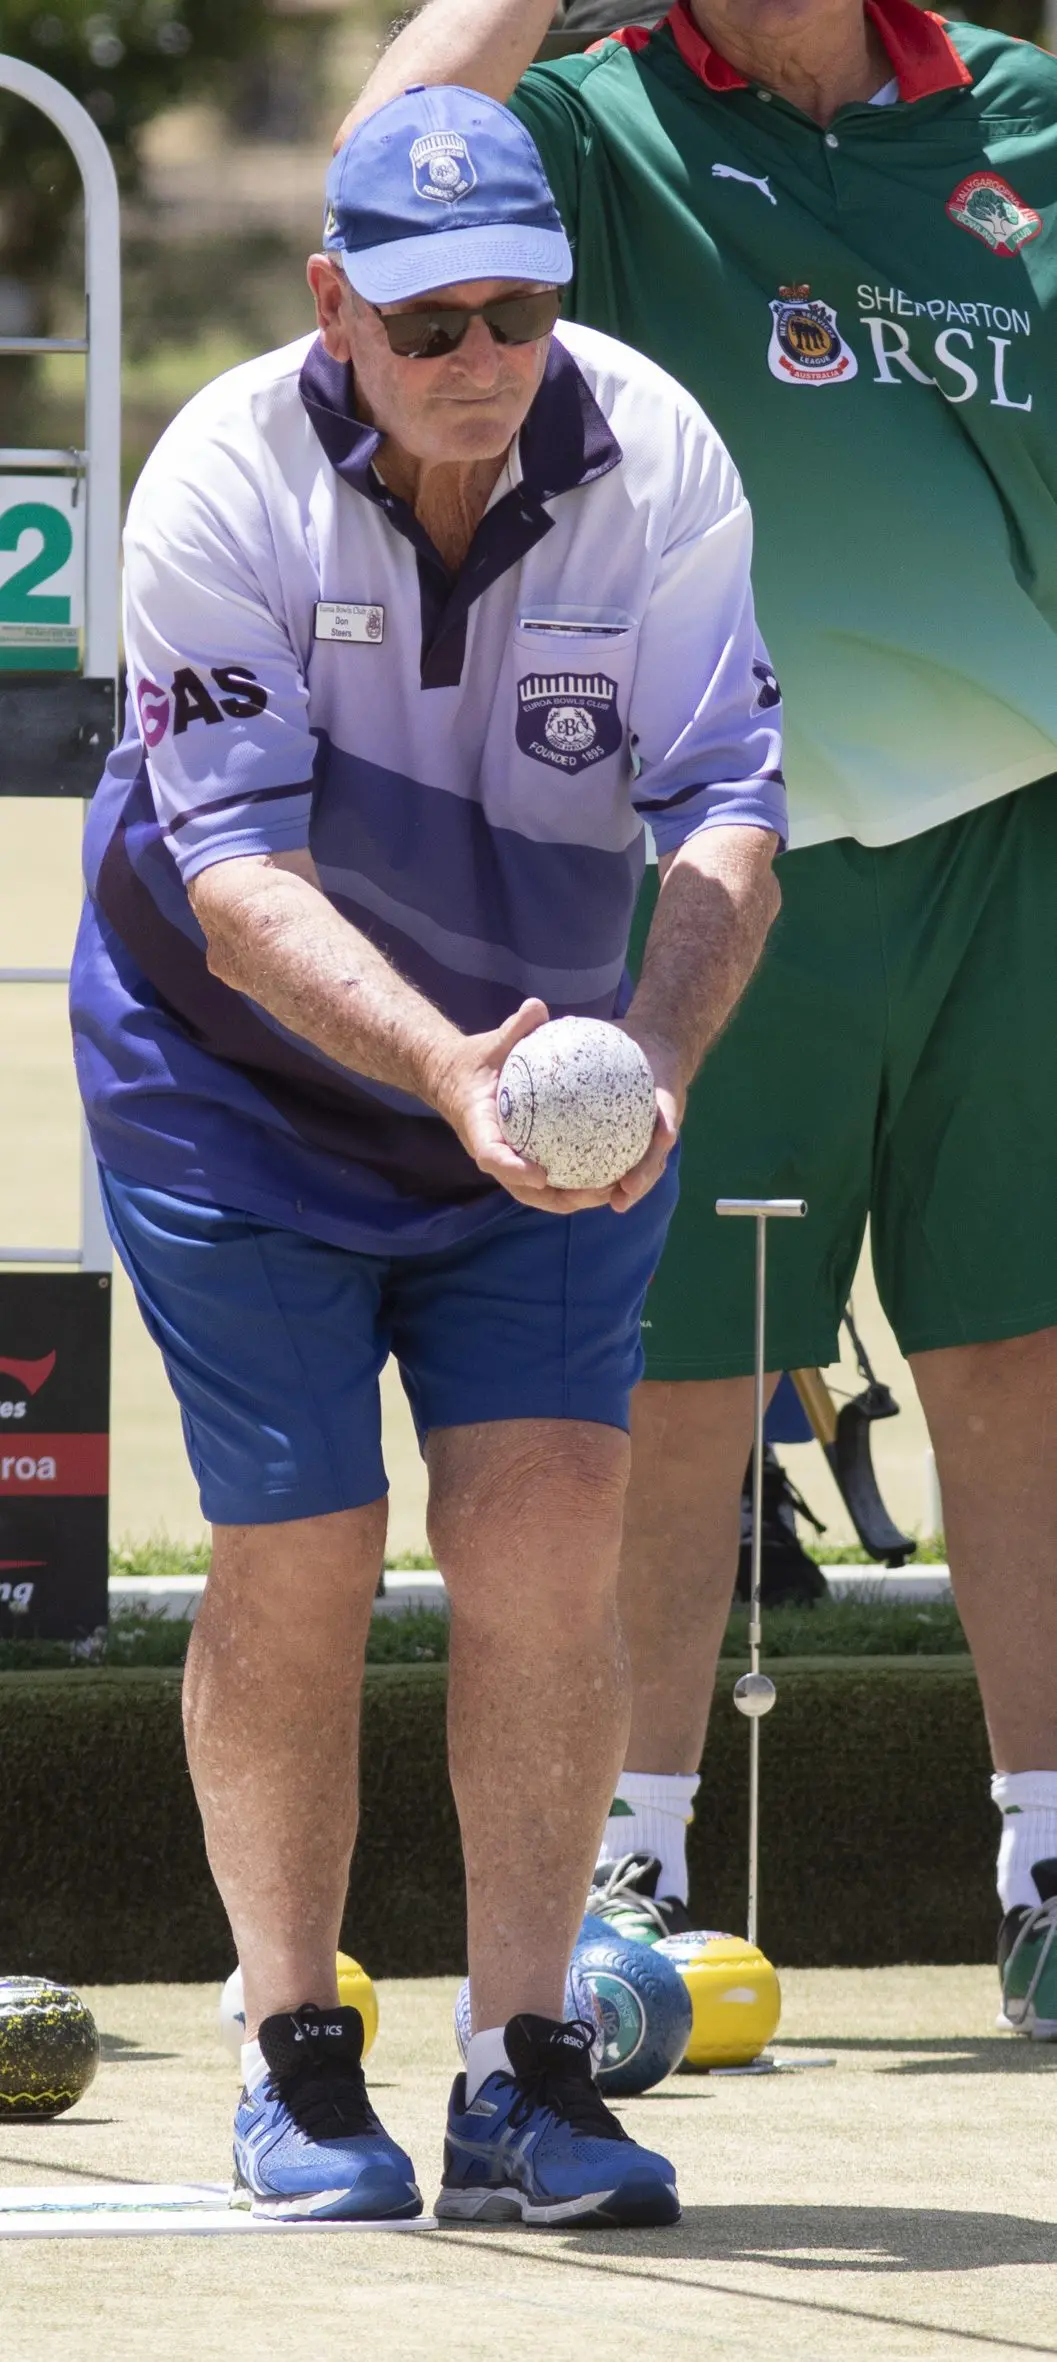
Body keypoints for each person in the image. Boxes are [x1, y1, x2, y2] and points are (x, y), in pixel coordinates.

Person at [70, 85, 784, 2224]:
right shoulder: (217, 475)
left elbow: (730, 813)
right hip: (233, 1075)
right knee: (301, 1536)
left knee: (552, 1513)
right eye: (430, 318)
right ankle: (298, 2045)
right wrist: (445, 1073)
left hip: (556, 1078)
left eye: (520, 311)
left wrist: (644, 1059)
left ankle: (525, 2060)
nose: (481, 355)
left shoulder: (655, 455)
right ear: (334, 308)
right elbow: (231, 878)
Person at [351, 0, 1057, 2021]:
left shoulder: (1020, 114)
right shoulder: (589, 115)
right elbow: (391, 163)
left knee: (1024, 1351)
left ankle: (1052, 1861)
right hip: (699, 841)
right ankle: (628, 1871)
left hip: (1020, 834)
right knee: (669, 1374)